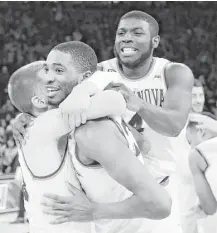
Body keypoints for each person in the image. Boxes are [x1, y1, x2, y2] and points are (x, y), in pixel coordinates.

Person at [10, 42, 171, 233]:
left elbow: (160, 203)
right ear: (38, 100)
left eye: (58, 70)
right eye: (47, 73)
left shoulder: (90, 130)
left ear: (84, 78)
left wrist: (94, 211)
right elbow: (121, 109)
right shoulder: (45, 127)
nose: (52, 76)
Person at [187, 112, 217, 233]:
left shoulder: (197, 154)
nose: (190, 147)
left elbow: (210, 208)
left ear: (201, 132)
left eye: (190, 142)